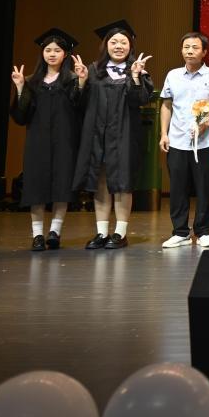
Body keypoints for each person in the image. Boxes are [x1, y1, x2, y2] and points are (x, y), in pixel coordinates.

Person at [73, 19, 154, 250]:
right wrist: (81, 82)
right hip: (97, 133)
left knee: (122, 182)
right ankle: (101, 232)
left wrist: (136, 77)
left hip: (125, 133)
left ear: (130, 46)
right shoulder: (92, 71)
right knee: (100, 180)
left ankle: (120, 232)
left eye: (123, 42)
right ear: (106, 45)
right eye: (114, 42)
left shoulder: (137, 70)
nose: (119, 46)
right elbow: (78, 104)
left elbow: (141, 100)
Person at [10, 28, 85, 251]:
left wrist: (82, 82)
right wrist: (20, 88)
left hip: (65, 140)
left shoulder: (72, 80)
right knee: (37, 185)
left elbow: (81, 107)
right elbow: (20, 117)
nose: (52, 54)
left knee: (62, 184)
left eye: (57, 50)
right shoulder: (32, 82)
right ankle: (37, 235)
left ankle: (55, 231)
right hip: (38, 141)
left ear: (65, 54)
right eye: (48, 50)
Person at [159, 32, 209, 249]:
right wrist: (164, 134)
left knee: (204, 188)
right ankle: (180, 232)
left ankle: (203, 231)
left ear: (204, 52)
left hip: (204, 142)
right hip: (177, 141)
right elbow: (166, 105)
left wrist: (207, 122)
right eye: (186, 47)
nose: (190, 51)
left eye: (195, 47)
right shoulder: (173, 75)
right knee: (178, 188)